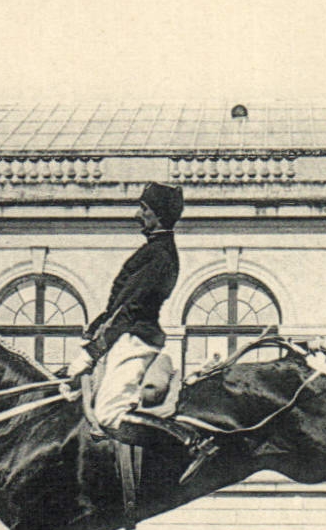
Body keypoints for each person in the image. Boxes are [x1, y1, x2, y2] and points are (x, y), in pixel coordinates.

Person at [68, 182, 218, 484]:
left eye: (144, 209)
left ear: (159, 215)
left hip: (136, 338)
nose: (138, 215)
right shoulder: (155, 250)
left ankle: (189, 442)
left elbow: (130, 309)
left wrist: (95, 349)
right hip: (126, 335)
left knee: (110, 414)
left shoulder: (160, 255)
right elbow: (120, 305)